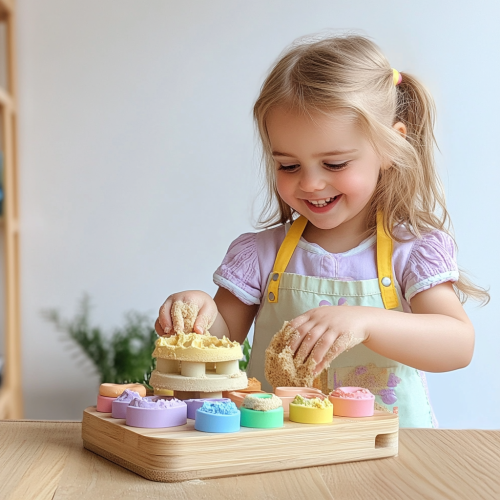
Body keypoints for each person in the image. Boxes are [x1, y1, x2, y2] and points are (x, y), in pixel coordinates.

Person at [155, 35, 488, 427]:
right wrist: (199, 313)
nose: (310, 184)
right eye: (289, 166)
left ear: (389, 147)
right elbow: (223, 341)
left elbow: (457, 345)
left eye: (334, 164)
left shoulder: (410, 251)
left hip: (386, 454)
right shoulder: (262, 254)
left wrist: (367, 322)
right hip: (283, 452)